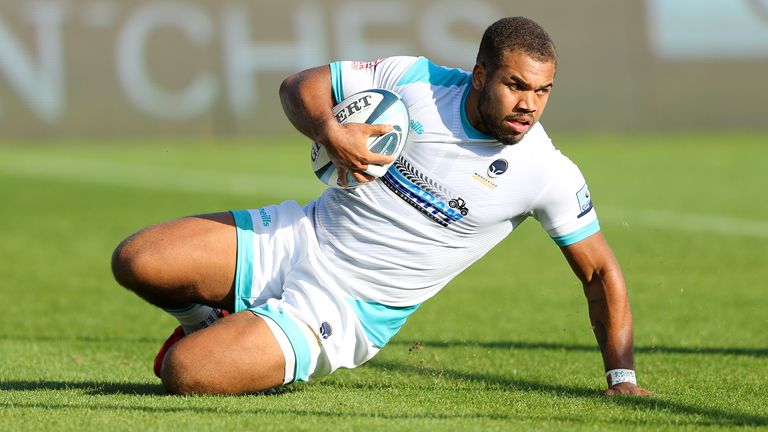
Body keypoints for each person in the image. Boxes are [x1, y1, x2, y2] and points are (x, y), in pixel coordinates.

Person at [111, 16, 652, 396]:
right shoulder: (415, 81)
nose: (529, 105)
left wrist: (621, 378)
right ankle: (209, 320)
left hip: (343, 309)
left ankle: (231, 339)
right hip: (302, 233)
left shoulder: (546, 172)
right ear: (481, 74)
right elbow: (300, 86)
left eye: (543, 90)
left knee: (184, 374)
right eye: (516, 85)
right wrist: (330, 131)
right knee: (136, 259)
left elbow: (600, 270)